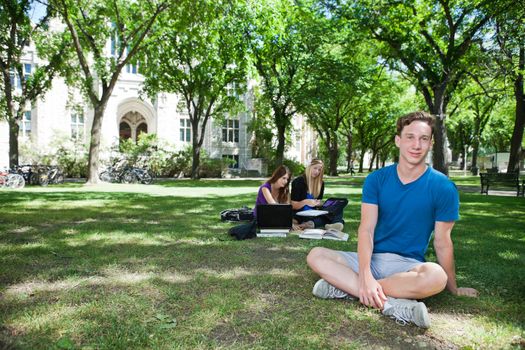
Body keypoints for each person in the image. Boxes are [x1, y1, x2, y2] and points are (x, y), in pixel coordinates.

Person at [306, 111, 478, 328]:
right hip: (371, 260)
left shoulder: (443, 187)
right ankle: (391, 305)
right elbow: (366, 230)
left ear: (431, 143)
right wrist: (366, 274)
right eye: (410, 137)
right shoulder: (377, 179)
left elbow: (443, 242)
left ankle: (346, 289)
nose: (416, 145)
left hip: (407, 266)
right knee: (316, 255)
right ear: (398, 140)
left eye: (423, 139)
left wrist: (453, 287)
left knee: (437, 277)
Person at [229, 165, 292, 240]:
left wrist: (291, 222)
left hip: (276, 218)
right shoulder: (265, 188)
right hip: (261, 218)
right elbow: (274, 207)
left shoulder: (284, 190)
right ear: (277, 176)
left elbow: (287, 209)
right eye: (283, 178)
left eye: (287, 179)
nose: (286, 181)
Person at [291, 159, 346, 231]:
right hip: (300, 214)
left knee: (337, 207)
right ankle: (335, 223)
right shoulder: (298, 182)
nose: (317, 171)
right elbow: (293, 205)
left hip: (314, 213)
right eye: (315, 168)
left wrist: (320, 203)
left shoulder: (321, 183)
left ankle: (334, 224)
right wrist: (306, 202)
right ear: (309, 167)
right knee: (328, 218)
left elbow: (318, 201)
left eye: (319, 170)